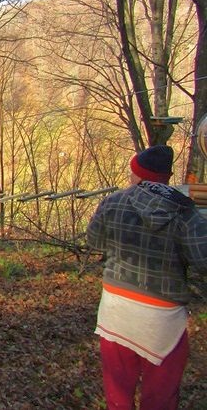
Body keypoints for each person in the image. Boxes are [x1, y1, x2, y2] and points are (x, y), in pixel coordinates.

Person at [87, 145, 207, 409]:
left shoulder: (113, 201)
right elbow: (203, 260)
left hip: (115, 310)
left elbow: (94, 240)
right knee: (160, 396)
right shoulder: (184, 211)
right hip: (161, 317)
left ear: (139, 174)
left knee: (118, 393)